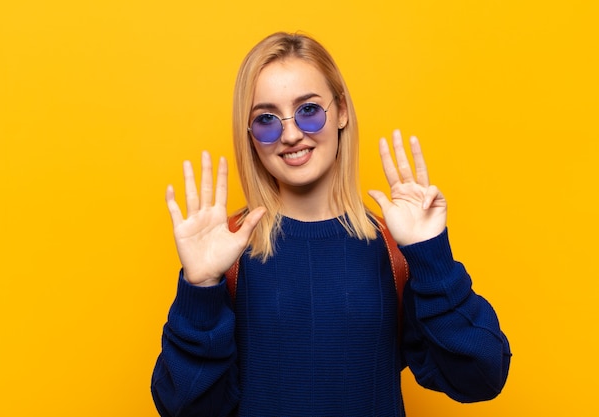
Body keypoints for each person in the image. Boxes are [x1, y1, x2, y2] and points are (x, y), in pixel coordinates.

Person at [151, 32, 511, 417]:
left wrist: (431, 256)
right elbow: (183, 408)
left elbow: (482, 376)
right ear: (251, 135)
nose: (290, 134)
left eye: (308, 110)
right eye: (266, 119)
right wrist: (201, 289)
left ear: (341, 111)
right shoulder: (228, 250)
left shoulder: (393, 248)